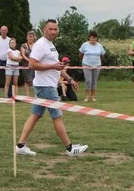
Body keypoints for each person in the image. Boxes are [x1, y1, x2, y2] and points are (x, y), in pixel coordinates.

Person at [14, 19, 88, 157]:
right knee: (57, 116)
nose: (53, 32)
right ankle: (70, 149)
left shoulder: (51, 45)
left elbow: (56, 66)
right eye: (51, 29)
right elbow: (32, 64)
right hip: (46, 87)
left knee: (35, 115)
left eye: (55, 29)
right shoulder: (40, 45)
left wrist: (70, 79)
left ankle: (21, 146)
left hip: (45, 85)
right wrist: (53, 66)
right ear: (44, 30)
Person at [78, 31, 105, 103]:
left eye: (95, 38)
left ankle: (93, 96)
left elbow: (102, 55)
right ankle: (87, 96)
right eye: (92, 38)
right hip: (86, 65)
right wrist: (86, 61)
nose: (93, 39)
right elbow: (80, 54)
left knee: (94, 81)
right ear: (89, 38)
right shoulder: (85, 45)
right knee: (88, 81)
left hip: (97, 65)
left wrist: (98, 63)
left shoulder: (99, 45)